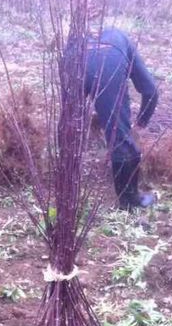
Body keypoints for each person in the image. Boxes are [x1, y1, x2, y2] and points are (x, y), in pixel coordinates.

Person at [66, 27, 159, 210]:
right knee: (121, 138)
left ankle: (66, 187)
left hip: (72, 57)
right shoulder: (122, 40)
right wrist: (141, 123)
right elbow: (150, 91)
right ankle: (129, 201)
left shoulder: (77, 39)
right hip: (107, 65)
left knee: (68, 122)